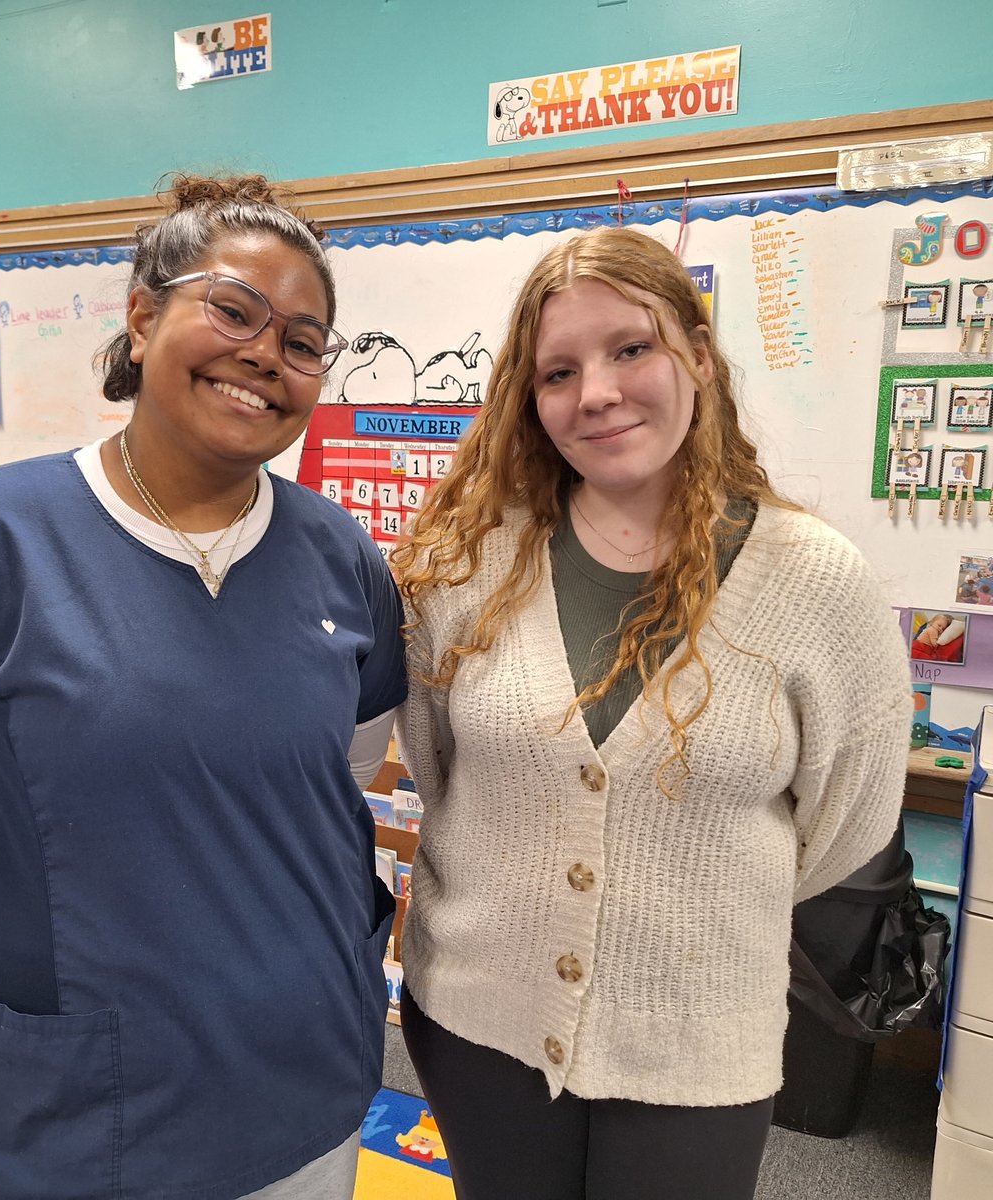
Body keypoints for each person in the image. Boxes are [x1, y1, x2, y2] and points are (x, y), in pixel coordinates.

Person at [0, 174, 407, 1200]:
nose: (266, 352)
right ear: (141, 316)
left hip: (301, 1079)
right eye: (232, 309)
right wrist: (23, 909)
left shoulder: (338, 556)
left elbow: (334, 778)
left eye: (303, 341)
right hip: (84, 1105)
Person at [389, 226, 911, 1200]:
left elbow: (849, 827)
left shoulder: (813, 582)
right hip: (477, 1018)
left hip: (697, 1043)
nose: (595, 391)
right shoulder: (468, 568)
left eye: (631, 348)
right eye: (557, 371)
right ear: (530, 398)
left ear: (699, 358)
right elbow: (438, 761)